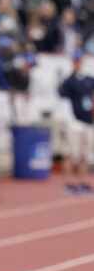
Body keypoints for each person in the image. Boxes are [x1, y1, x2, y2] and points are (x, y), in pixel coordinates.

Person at [58, 51, 94, 191]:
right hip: (74, 121)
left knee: (85, 153)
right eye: (75, 61)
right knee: (72, 154)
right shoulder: (69, 81)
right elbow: (62, 96)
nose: (77, 63)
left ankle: (83, 182)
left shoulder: (89, 79)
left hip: (88, 120)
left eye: (79, 61)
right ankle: (69, 183)